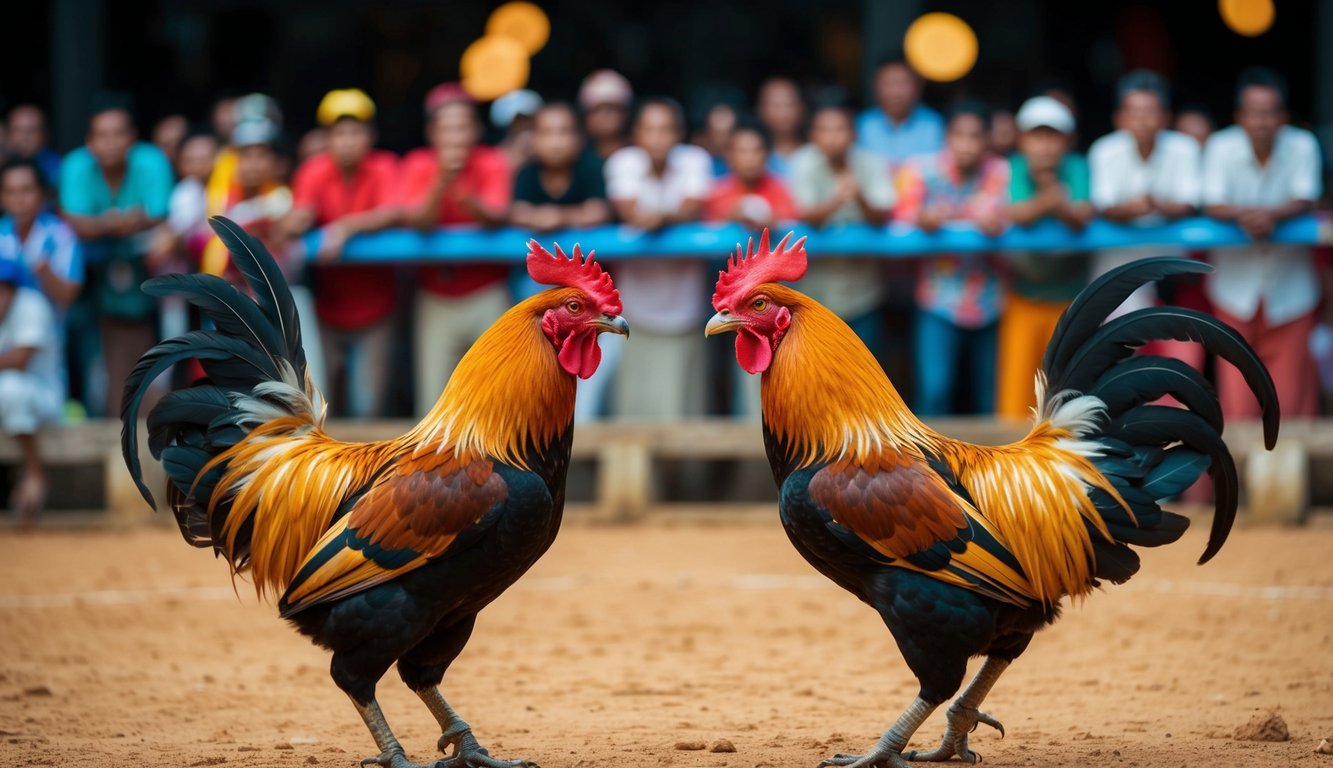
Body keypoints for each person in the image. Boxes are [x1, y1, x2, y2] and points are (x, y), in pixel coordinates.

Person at [1202, 67, 1324, 420]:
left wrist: (1271, 217)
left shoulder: (1302, 145)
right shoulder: (1220, 146)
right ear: (1240, 116)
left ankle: (1294, 479)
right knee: (1238, 414)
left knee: (1291, 413)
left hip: (1293, 296)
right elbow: (1211, 202)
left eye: (1270, 111)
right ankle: (1241, 479)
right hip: (1233, 296)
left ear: (1283, 117)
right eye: (1254, 112)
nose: (1262, 120)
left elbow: (1306, 197)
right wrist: (1251, 216)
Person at [284, 89, 401, 419]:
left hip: (376, 309)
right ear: (327, 137)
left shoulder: (385, 165)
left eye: (355, 131)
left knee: (368, 408)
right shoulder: (313, 170)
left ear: (370, 135)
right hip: (325, 310)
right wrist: (288, 222)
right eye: (339, 132)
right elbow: (302, 213)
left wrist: (345, 227)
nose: (348, 140)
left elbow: (394, 212)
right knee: (320, 408)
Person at [397, 86, 512, 417]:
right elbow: (418, 222)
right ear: (432, 132)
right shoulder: (419, 164)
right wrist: (441, 182)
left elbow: (496, 216)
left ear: (476, 130)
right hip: (435, 295)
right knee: (434, 403)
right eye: (446, 128)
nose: (455, 136)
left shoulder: (492, 161)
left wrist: (464, 194)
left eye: (462, 127)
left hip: (487, 293)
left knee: (497, 399)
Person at [59, 96, 174, 418]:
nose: (110, 143)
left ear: (132, 138)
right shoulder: (76, 165)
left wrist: (108, 224)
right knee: (84, 342)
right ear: (89, 142)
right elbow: (73, 223)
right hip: (88, 272)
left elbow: (160, 215)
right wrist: (117, 222)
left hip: (145, 267)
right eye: (102, 135)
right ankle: (87, 411)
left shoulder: (150, 161)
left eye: (118, 134)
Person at [893, 102, 1009, 416]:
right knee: (935, 391)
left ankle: (990, 467)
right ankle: (928, 466)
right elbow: (902, 213)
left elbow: (1006, 215)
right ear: (947, 137)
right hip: (938, 298)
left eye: (975, 136)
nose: (967, 144)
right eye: (959, 135)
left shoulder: (1001, 171)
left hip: (991, 299)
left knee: (989, 397)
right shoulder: (920, 170)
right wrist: (923, 218)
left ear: (987, 140)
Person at [604, 97, 712, 420]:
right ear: (636, 133)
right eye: (649, 129)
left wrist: (662, 216)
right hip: (634, 311)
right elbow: (629, 210)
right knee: (634, 410)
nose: (657, 138)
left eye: (665, 129)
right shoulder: (621, 162)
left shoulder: (695, 160)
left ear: (678, 134)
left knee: (685, 409)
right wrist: (663, 215)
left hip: (685, 309)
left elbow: (693, 207)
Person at [996, 95, 1094, 421]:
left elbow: (1081, 217)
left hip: (1068, 302)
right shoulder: (1010, 168)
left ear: (1067, 140)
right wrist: (1052, 199)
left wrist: (1047, 198)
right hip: (1022, 297)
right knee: (1013, 405)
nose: (1045, 145)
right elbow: (1014, 213)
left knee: (1067, 402)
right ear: (1021, 139)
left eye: (1053, 136)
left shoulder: (1078, 166)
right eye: (1037, 135)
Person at [1088, 70, 1201, 318]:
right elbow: (1103, 207)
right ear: (1120, 117)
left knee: (1178, 346)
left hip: (1171, 269)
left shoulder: (1185, 149)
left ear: (1165, 117)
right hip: (1117, 268)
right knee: (1122, 347)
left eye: (1149, 112)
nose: (1142, 120)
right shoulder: (1104, 151)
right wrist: (1137, 208)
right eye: (1134, 112)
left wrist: (1154, 205)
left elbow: (1191, 203)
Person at [789, 103, 895, 358]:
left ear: (853, 134)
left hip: (863, 293)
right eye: (824, 130)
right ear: (813, 135)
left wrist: (860, 197)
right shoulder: (802, 162)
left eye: (840, 129)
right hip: (814, 295)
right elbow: (805, 215)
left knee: (863, 377)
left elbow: (884, 214)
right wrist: (836, 200)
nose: (832, 137)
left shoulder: (871, 163)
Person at [0, 158, 84, 419]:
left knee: (46, 403)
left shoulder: (60, 234)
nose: (19, 199)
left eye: (27, 190)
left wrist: (43, 271)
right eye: (11, 192)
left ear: (42, 194)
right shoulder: (1, 233)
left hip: (48, 336)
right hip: (4, 335)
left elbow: (69, 295)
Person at [0, 261, 61, 525]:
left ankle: (34, 475)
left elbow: (20, 359)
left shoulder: (32, 305)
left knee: (12, 388)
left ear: (11, 289)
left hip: (43, 398)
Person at [510, 103, 612, 234]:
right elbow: (517, 213)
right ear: (533, 139)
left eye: (564, 132)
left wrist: (561, 217)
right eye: (546, 133)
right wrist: (540, 218)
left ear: (579, 138)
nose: (555, 143)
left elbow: (599, 212)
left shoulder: (592, 168)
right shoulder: (526, 174)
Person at [704, 122, 797, 230]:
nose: (750, 158)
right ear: (729, 155)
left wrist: (773, 222)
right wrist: (731, 217)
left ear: (766, 154)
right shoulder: (716, 192)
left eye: (756, 151)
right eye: (743, 151)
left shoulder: (781, 188)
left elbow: (792, 223)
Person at [855, 57, 945, 167]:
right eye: (889, 83)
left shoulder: (936, 126)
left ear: (918, 86)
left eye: (903, 83)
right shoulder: (861, 125)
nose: (896, 92)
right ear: (875, 86)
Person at [578, 69, 634, 168]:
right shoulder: (575, 157)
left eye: (612, 108)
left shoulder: (639, 157)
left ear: (625, 114)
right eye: (597, 109)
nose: (605, 115)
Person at [755, 77, 806, 180]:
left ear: (802, 109)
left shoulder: (816, 154)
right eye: (776, 106)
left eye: (789, 105)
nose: (784, 114)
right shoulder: (752, 155)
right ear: (761, 110)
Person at [5, 105, 62, 192]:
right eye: (18, 130)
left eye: (32, 130)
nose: (24, 137)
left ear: (45, 134)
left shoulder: (59, 169)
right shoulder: (3, 161)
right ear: (8, 133)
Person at [491, 89, 544, 172]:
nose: (524, 125)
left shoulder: (544, 151)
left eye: (528, 120)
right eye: (517, 122)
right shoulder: (492, 157)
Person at [693, 102, 739, 177]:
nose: (723, 139)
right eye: (718, 134)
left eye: (727, 133)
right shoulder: (697, 163)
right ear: (708, 133)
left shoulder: (748, 161)